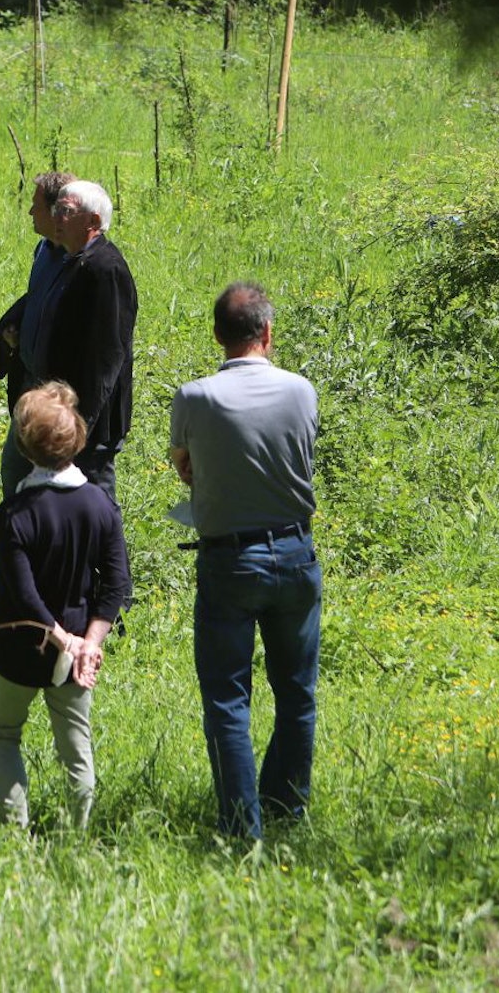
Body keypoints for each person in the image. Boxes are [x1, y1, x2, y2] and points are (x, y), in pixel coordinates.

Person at [170, 282, 321, 841]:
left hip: (229, 560)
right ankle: (287, 809)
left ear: (217, 336)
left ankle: (241, 827)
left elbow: (184, 465)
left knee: (229, 699)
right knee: (297, 693)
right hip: (294, 551)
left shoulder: (195, 395)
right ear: (267, 333)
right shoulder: (302, 391)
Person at [0, 382, 131, 831]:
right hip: (74, 651)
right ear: (79, 440)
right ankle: (78, 833)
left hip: (18, 643)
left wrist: (59, 636)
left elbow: (23, 592)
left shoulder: (15, 512)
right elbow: (117, 582)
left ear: (25, 445)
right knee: (75, 745)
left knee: (4, 735)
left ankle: (14, 834)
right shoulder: (100, 505)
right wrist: (88, 641)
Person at [29, 179, 136, 498]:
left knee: (96, 495)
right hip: (69, 410)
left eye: (67, 211)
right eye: (56, 209)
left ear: (93, 222)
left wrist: (80, 423)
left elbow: (106, 358)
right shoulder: (75, 260)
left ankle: (109, 550)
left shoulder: (105, 269)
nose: (57, 217)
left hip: (91, 420)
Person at [0, 170, 75, 498]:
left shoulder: (78, 262)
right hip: (30, 381)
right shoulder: (44, 251)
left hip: (56, 394)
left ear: (57, 212)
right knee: (15, 469)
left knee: (35, 474)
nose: (29, 212)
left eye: (35, 205)